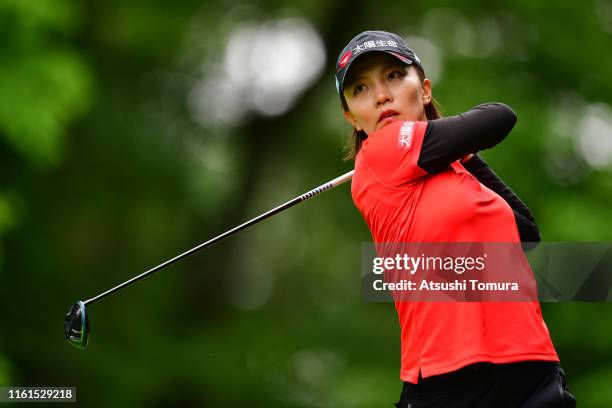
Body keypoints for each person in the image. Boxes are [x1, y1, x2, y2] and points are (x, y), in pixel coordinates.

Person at [335, 30, 577, 407]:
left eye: (394, 76)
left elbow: (525, 232)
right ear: (352, 116)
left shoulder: (455, 171)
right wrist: (455, 142)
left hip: (531, 371)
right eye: (361, 89)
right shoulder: (381, 152)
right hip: (450, 383)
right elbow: (499, 117)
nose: (382, 94)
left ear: (425, 89)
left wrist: (459, 153)